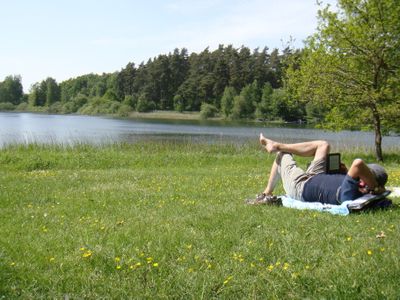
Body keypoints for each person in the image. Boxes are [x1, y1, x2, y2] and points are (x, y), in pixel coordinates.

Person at [255, 133, 388, 205]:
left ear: (370, 183)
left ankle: (267, 193)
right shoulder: (354, 185)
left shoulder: (350, 194)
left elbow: (358, 164)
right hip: (315, 176)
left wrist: (375, 187)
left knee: (282, 154)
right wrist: (345, 173)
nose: (360, 178)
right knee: (323, 145)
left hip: (300, 186)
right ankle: (278, 144)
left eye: (365, 176)